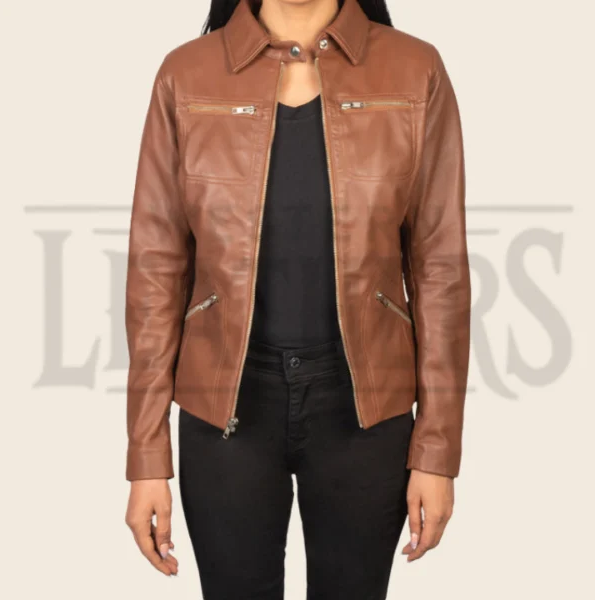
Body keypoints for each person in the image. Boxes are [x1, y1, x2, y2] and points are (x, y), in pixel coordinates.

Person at [124, 0, 471, 598]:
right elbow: (156, 271)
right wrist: (146, 456)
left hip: (367, 410)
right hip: (224, 408)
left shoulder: (416, 71)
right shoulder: (185, 75)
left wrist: (437, 451)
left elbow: (440, 270)